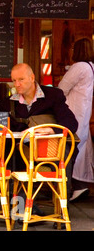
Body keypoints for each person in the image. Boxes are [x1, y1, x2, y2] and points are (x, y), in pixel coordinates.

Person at [0, 63, 79, 199]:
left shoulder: (53, 95)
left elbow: (71, 122)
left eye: (21, 79)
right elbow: (1, 129)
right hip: (23, 149)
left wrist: (51, 129)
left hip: (52, 147)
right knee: (7, 152)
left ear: (32, 77)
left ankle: (62, 207)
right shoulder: (5, 104)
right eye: (13, 80)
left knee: (64, 153)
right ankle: (21, 206)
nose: (17, 84)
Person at [58, 38, 94, 201]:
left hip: (73, 111)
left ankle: (72, 184)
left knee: (71, 146)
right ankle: (79, 184)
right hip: (84, 112)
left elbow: (61, 89)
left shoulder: (78, 67)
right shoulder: (92, 67)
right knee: (81, 145)